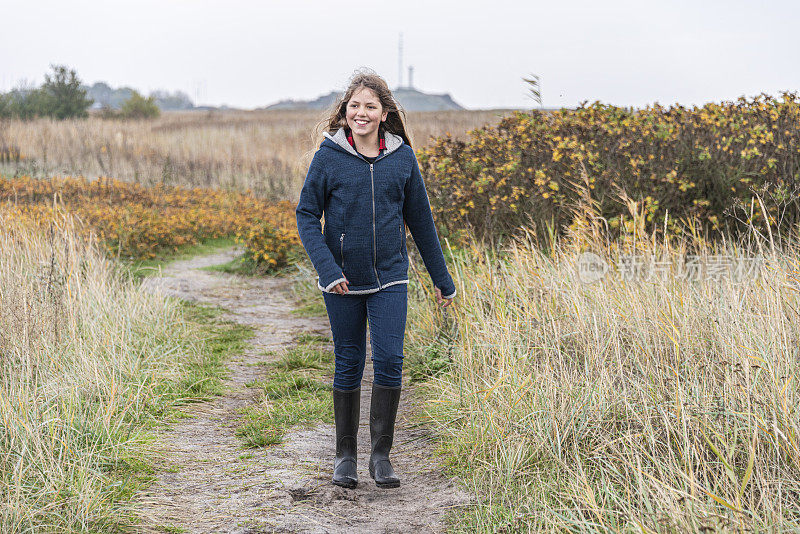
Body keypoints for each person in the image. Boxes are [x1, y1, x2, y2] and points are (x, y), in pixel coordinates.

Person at [295, 70, 457, 490]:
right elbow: (306, 216)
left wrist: (441, 277)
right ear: (345, 114)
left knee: (389, 360)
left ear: (384, 114)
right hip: (342, 281)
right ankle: (345, 456)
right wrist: (328, 271)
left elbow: (420, 219)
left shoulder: (401, 158)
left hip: (391, 278)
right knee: (349, 362)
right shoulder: (328, 157)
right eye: (354, 107)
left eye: (370, 106)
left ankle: (380, 456)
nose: (361, 113)